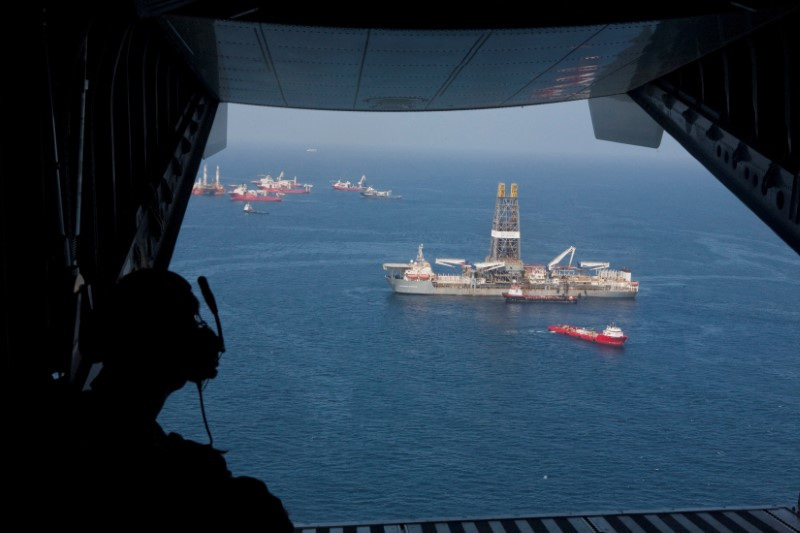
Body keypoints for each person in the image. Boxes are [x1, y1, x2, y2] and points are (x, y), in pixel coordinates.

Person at [66, 268, 294, 529]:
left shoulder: (93, 422)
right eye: (191, 322)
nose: (204, 336)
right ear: (156, 341)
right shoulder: (161, 465)